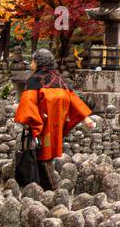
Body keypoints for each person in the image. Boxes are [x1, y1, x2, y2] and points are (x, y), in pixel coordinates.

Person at [13, 48, 98, 186]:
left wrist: (30, 124)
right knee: (47, 156)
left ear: (38, 62)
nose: (31, 64)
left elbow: (28, 104)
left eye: (32, 61)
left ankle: (51, 187)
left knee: (42, 156)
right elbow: (73, 100)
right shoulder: (58, 79)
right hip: (57, 124)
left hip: (42, 125)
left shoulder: (34, 80)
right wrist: (86, 118)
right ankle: (45, 186)